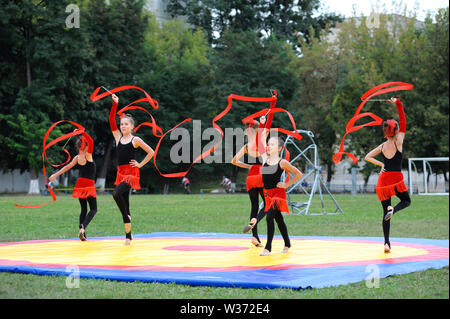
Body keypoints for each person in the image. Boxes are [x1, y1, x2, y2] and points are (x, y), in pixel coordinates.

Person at [364, 97, 411, 253]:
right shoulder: (399, 142)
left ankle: (386, 243)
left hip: (383, 181)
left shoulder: (383, 146)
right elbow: (403, 120)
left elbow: (367, 157)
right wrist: (398, 103)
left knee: (385, 213)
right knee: (406, 200)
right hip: (396, 179)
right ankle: (394, 210)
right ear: (396, 130)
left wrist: (381, 164)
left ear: (386, 131)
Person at [243, 136, 303, 256]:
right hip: (268, 195)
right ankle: (287, 242)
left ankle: (268, 248)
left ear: (280, 148)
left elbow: (298, 174)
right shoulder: (265, 159)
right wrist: (262, 122)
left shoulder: (283, 162)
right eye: (268, 144)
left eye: (272, 145)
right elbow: (259, 143)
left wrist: (286, 185)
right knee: (278, 219)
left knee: (269, 217)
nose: (269, 146)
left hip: (278, 195)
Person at [110, 94, 154, 245]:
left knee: (116, 194)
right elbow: (111, 121)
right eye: (121, 124)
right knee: (126, 204)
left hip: (131, 174)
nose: (123, 126)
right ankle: (128, 236)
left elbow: (151, 152)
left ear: (132, 127)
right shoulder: (118, 138)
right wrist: (115, 104)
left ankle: (126, 217)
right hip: (120, 174)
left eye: (126, 124)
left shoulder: (135, 140)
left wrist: (140, 164)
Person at [49, 131, 97, 241]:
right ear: (86, 146)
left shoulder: (77, 158)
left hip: (80, 184)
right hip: (88, 185)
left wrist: (55, 175)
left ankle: (83, 234)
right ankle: (83, 227)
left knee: (83, 209)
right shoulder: (88, 156)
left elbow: (66, 167)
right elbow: (91, 140)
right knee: (94, 209)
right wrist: (83, 132)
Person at [231, 118, 269, 247]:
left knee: (254, 206)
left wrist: (249, 166)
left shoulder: (247, 147)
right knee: (268, 204)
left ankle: (255, 237)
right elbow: (266, 128)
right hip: (262, 175)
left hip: (251, 176)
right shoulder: (262, 139)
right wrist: (264, 121)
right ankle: (255, 221)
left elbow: (234, 161)